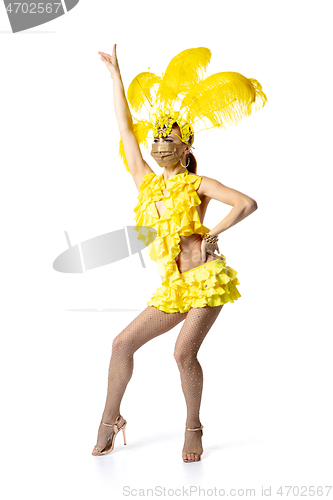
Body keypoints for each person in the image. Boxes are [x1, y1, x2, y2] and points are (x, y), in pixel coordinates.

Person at [92, 44, 267, 462]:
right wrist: (117, 75)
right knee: (121, 345)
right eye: (156, 137)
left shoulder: (198, 183)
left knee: (182, 353)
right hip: (174, 288)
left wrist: (213, 233)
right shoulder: (146, 182)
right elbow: (124, 127)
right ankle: (109, 420)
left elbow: (246, 203)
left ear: (186, 146)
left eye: (168, 138)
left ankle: (194, 428)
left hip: (205, 280)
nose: (158, 142)